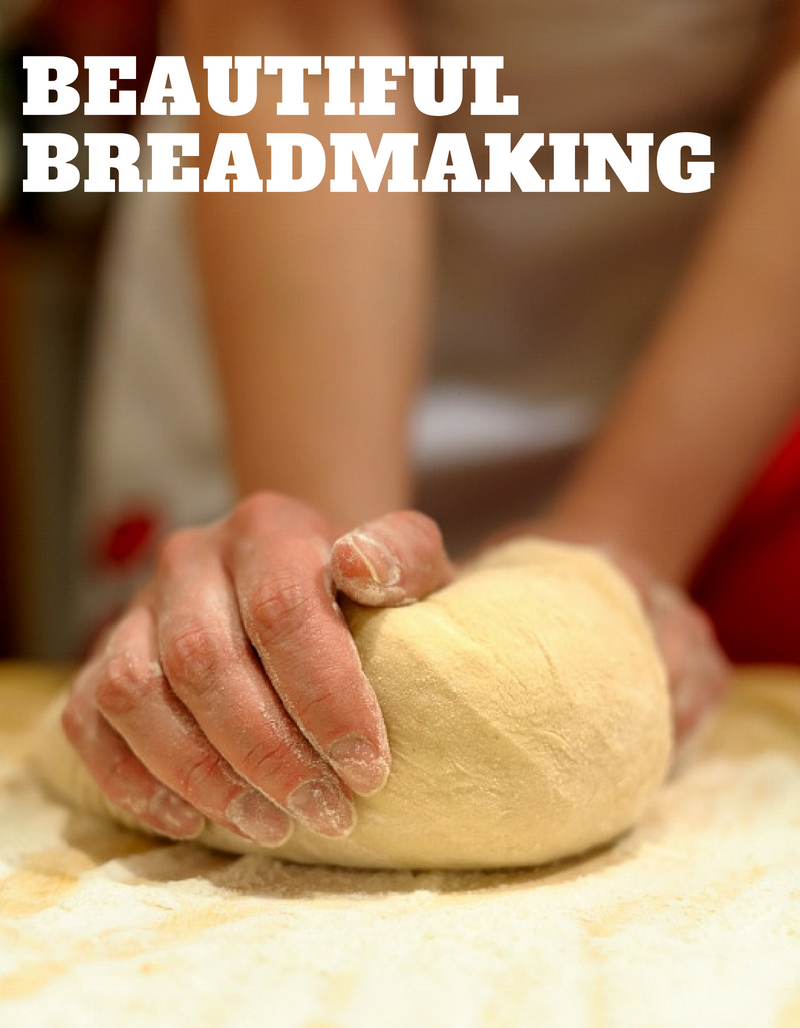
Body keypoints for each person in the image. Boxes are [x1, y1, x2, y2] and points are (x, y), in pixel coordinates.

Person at [63, 0, 800, 848]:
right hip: (290, 282)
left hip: (708, 320)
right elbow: (303, 28)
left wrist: (609, 555)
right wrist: (320, 578)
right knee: (246, 690)